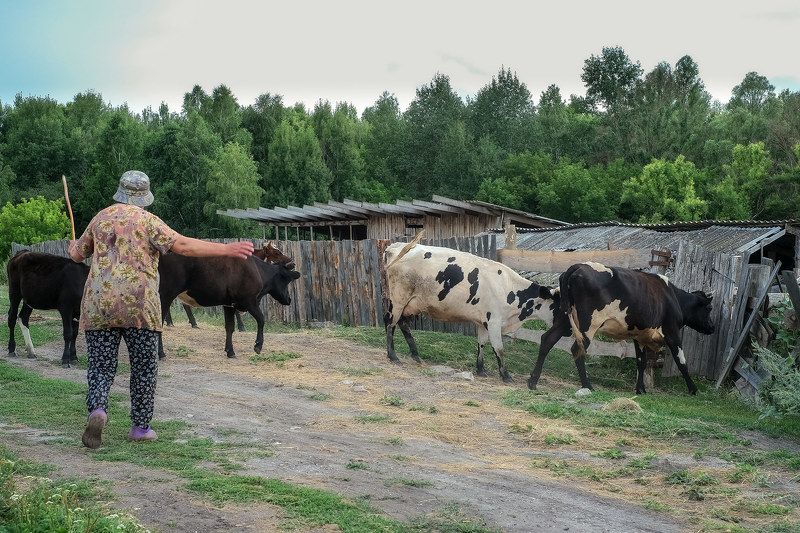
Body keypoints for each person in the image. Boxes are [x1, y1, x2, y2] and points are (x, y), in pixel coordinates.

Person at [68, 170, 254, 449]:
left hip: (99, 306)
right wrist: (226, 249)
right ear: (144, 195)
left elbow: (77, 254)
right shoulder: (149, 221)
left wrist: (73, 246)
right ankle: (140, 428)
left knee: (100, 366)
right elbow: (182, 246)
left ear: (120, 191)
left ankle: (98, 410)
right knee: (144, 369)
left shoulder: (101, 218)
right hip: (140, 307)